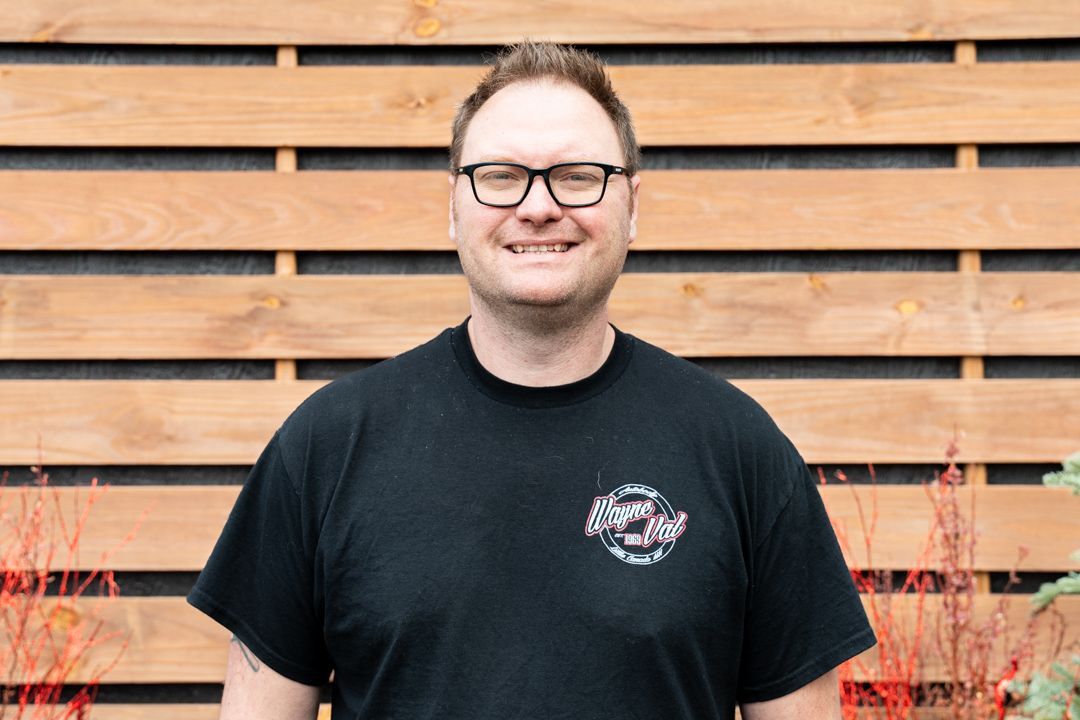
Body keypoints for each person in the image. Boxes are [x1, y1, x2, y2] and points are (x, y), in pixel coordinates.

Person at [187, 40, 877, 719]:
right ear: (453, 206)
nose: (539, 206)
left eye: (577, 175)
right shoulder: (328, 446)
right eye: (500, 175)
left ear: (632, 205)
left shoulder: (739, 450)